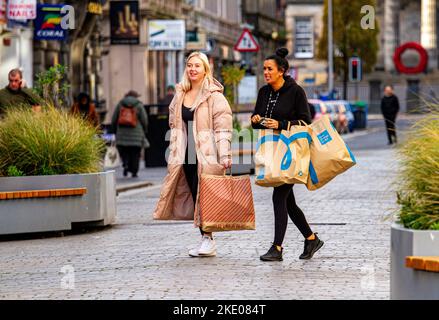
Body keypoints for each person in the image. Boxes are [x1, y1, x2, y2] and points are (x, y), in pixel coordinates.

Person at [153, 51, 233, 258]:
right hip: (184, 155)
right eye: (189, 65)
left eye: (197, 65)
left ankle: (208, 239)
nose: (192, 69)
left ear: (206, 70)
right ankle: (205, 239)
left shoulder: (214, 97)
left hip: (206, 155)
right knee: (195, 195)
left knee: (205, 197)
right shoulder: (180, 94)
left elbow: (223, 127)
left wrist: (224, 154)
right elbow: (173, 122)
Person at [251, 48, 324, 262]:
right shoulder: (264, 92)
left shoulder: (295, 91)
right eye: (264, 69)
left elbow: (305, 121)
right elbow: (258, 122)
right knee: (288, 203)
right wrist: (256, 120)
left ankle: (277, 247)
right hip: (272, 151)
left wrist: (282, 124)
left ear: (281, 71)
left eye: (270, 69)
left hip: (291, 152)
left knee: (278, 197)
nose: (266, 72)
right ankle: (311, 239)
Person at [111, 90, 149, 178]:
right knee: (135, 153)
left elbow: (114, 119)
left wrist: (114, 130)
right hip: (136, 134)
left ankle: (125, 164)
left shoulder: (120, 104)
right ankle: (134, 171)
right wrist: (145, 130)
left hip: (122, 133)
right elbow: (144, 119)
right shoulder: (139, 105)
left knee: (124, 151)